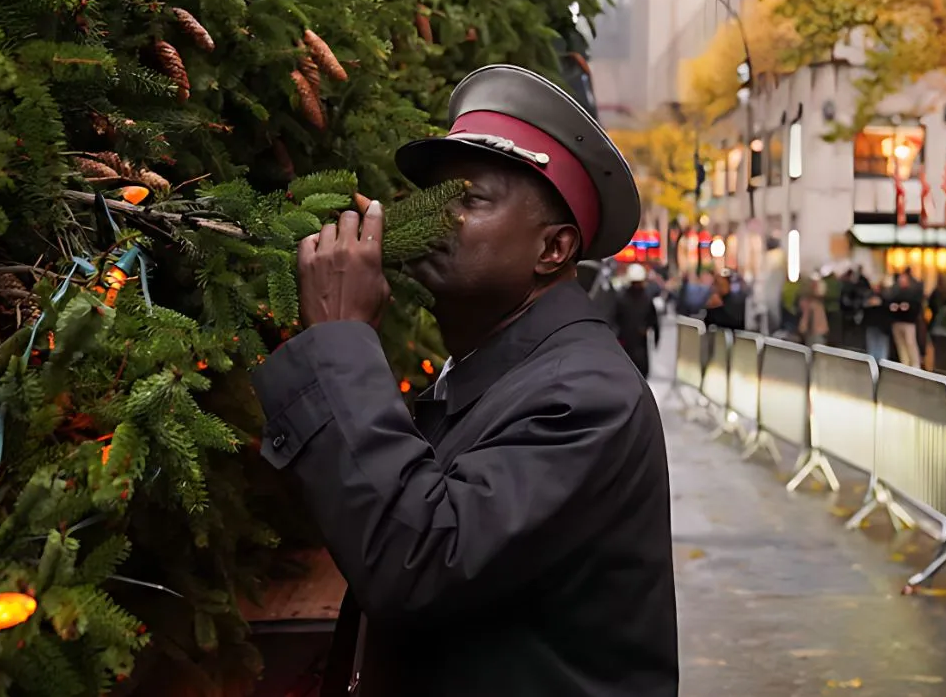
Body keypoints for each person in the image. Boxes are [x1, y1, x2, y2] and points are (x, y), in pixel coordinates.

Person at [252, 65, 677, 697]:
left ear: (552, 250)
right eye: (430, 198)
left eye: (470, 200)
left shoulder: (586, 396)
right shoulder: (494, 369)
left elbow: (416, 559)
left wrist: (342, 341)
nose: (434, 218)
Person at [614, 263, 661, 377]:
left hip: (638, 341)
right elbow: (614, 318)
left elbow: (653, 319)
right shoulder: (621, 297)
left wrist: (653, 335)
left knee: (639, 370)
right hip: (626, 341)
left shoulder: (644, 297)